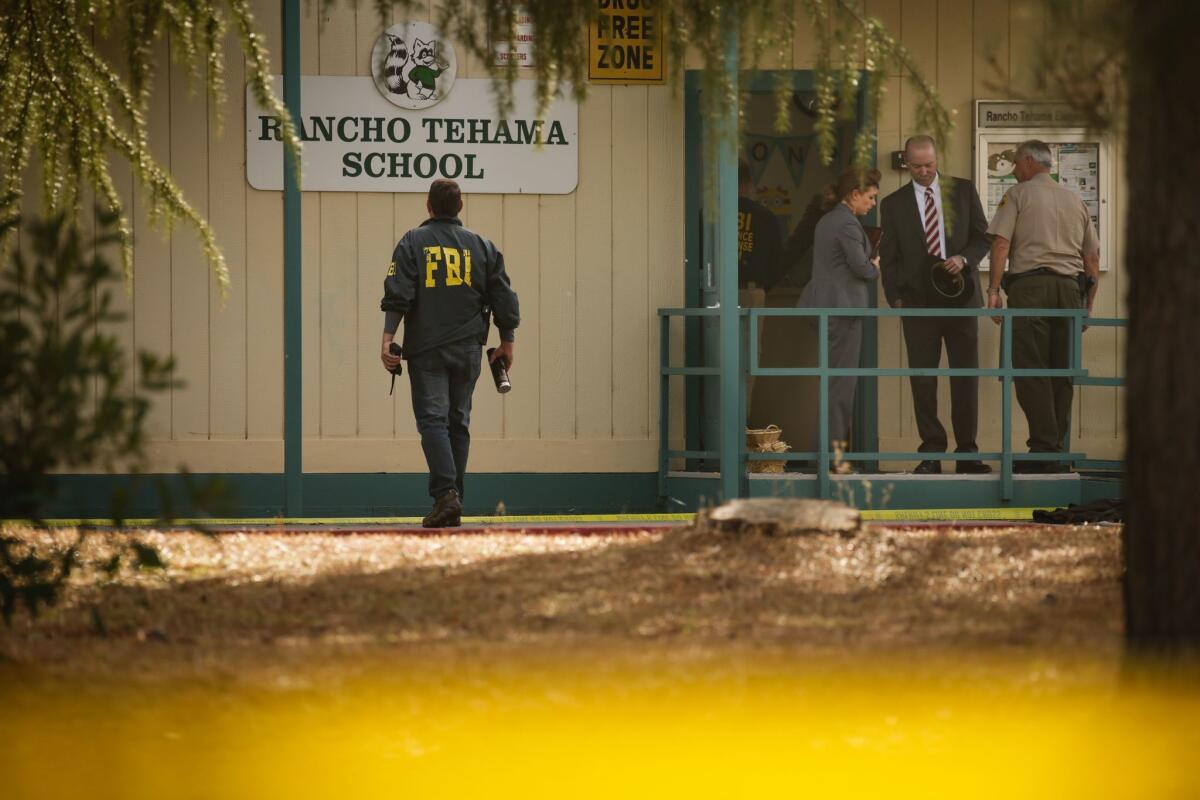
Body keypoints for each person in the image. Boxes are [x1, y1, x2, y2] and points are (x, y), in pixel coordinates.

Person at [381, 179, 520, 527]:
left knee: (432, 420)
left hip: (427, 349)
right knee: (458, 422)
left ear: (428, 205)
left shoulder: (413, 241)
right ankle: (453, 498)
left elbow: (399, 291)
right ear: (460, 207)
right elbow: (503, 296)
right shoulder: (483, 247)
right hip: (469, 349)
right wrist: (507, 341)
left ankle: (446, 496)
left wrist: (388, 337)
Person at [879, 135, 992, 475]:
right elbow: (890, 257)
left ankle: (967, 453)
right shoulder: (893, 203)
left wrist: (965, 259)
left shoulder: (962, 190)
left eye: (929, 165)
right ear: (906, 163)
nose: (924, 172)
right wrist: (895, 297)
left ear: (937, 158)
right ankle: (931, 451)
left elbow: (983, 235)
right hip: (917, 304)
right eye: (916, 167)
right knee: (923, 379)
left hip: (961, 300)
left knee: (965, 378)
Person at [986, 139, 1100, 473]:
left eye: (1017, 166)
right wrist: (1087, 306)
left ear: (1028, 162)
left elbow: (1001, 245)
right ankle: (1055, 451)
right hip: (1069, 291)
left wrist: (993, 289)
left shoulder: (1018, 196)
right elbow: (1091, 258)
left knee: (1029, 368)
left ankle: (1043, 451)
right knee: (1061, 371)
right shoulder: (1075, 200)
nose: (1015, 173)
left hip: (1030, 289)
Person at [797, 166, 882, 466]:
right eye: (870, 197)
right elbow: (862, 268)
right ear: (854, 194)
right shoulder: (847, 224)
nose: (873, 204)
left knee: (832, 382)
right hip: (842, 308)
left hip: (825, 306)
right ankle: (831, 458)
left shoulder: (827, 220)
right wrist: (875, 265)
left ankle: (823, 455)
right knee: (841, 386)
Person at [737, 159, 786, 410]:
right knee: (749, 357)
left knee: (713, 358)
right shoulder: (764, 216)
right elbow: (779, 261)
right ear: (748, 185)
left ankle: (713, 426)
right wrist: (762, 286)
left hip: (714, 293)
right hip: (752, 290)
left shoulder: (712, 216)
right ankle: (741, 422)